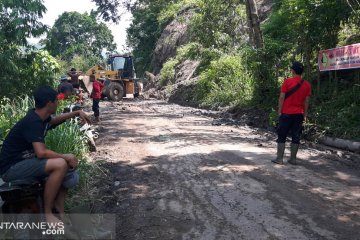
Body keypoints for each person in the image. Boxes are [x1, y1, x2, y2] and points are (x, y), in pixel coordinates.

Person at [0, 86, 91, 224]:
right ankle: (48, 214)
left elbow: (54, 121)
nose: (58, 103)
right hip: (11, 169)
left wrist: (77, 112)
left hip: (23, 163)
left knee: (66, 167)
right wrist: (65, 156)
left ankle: (59, 210)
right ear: (49, 103)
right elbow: (41, 153)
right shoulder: (33, 122)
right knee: (60, 163)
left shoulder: (41, 118)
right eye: (56, 100)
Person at [272, 62, 311, 165]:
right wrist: (305, 114)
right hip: (299, 114)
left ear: (293, 71)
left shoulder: (287, 82)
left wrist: (279, 111)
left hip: (286, 113)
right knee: (296, 135)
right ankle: (293, 159)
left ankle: (279, 159)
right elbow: (306, 101)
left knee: (282, 134)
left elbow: (281, 97)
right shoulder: (307, 84)